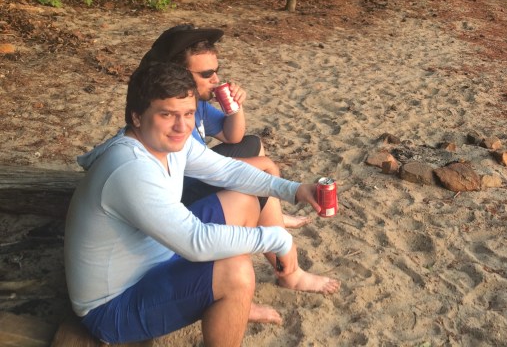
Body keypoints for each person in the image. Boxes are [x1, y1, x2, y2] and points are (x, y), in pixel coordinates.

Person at [64, 62, 340, 346]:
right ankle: (232, 299)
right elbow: (195, 242)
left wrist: (294, 189)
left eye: (188, 113)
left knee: (243, 200)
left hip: (156, 257)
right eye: (166, 114)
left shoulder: (168, 142)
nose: (181, 126)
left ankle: (233, 306)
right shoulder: (130, 168)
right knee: (236, 273)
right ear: (136, 116)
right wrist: (276, 238)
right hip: (113, 306)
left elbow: (227, 171)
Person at [139, 24, 308, 228]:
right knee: (263, 168)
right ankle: (274, 222)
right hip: (179, 190)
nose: (216, 80)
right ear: (179, 75)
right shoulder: (167, 116)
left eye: (217, 72)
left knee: (253, 144)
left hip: (198, 171)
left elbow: (233, 137)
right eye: (206, 74)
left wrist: (235, 107)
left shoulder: (198, 104)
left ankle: (273, 217)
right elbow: (194, 168)